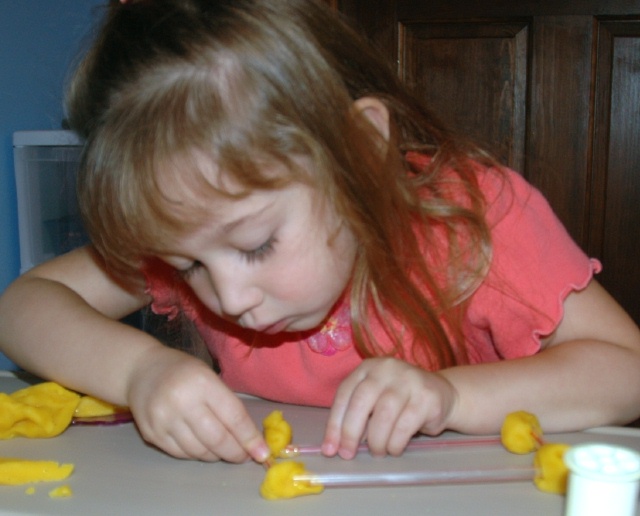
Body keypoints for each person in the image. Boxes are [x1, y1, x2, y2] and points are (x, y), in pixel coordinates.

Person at [1, 0, 640, 466]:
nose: (227, 297)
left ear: (360, 152)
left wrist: (449, 398)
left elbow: (626, 369)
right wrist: (139, 371)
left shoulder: (473, 219)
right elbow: (22, 306)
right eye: (188, 265)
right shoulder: (200, 228)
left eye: (256, 245)